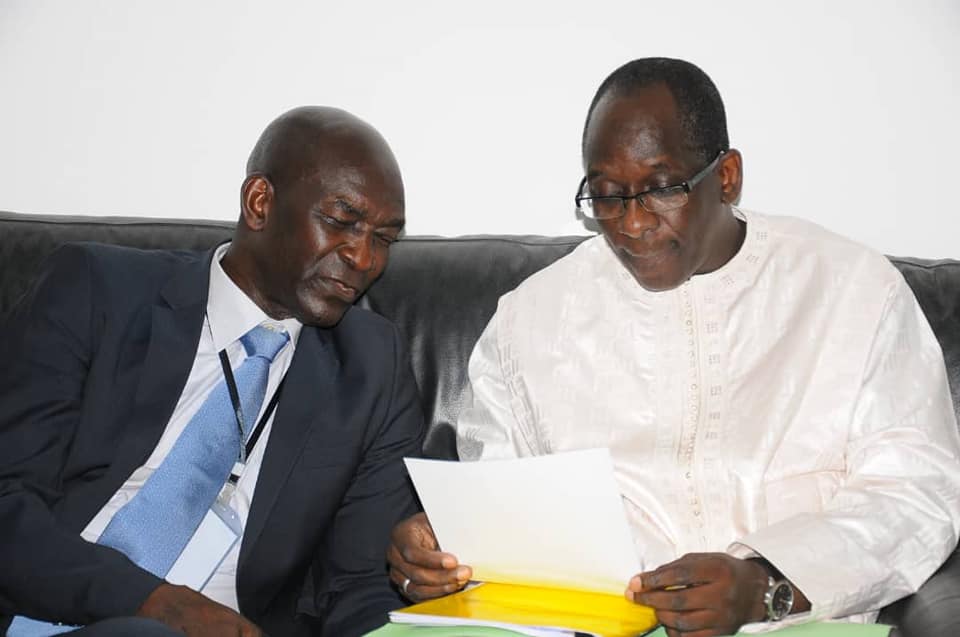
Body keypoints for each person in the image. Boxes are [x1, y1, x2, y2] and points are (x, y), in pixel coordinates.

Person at [387, 58, 960, 636]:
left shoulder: (853, 292)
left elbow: (918, 495)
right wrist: (442, 550)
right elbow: (500, 507)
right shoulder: (530, 322)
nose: (632, 224)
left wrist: (765, 586)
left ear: (727, 177)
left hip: (796, 623)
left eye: (662, 190)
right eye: (607, 196)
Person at [0, 106, 423, 637]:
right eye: (341, 222)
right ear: (260, 202)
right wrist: (153, 603)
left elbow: (359, 587)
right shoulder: (97, 290)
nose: (364, 258)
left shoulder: (372, 368)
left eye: (383, 239)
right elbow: (8, 498)